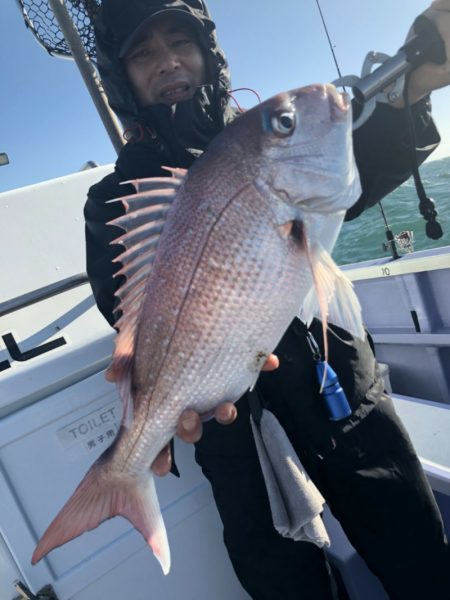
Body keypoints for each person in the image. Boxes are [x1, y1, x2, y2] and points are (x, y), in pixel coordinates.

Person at [86, 1, 450, 598]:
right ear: (119, 76)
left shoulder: (265, 137)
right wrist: (156, 401)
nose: (169, 62)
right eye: (143, 53)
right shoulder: (115, 199)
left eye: (181, 42)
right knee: (287, 586)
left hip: (338, 390)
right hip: (228, 428)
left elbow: (341, 178)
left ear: (207, 51)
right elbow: (129, 312)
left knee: (422, 558)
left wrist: (413, 92)